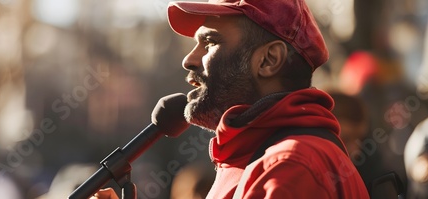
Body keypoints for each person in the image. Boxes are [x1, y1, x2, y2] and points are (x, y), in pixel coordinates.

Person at [91, 0, 369, 198]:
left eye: (211, 42)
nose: (189, 59)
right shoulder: (258, 158)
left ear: (269, 60)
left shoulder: (290, 165)